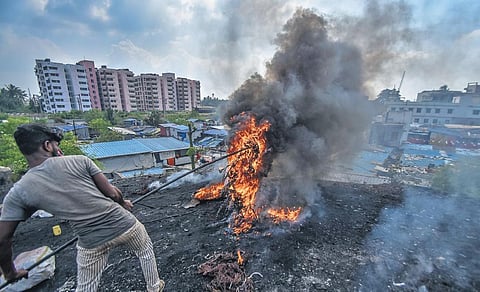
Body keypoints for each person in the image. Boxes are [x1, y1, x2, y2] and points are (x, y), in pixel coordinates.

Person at [0, 124, 164, 292]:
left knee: (86, 287)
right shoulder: (80, 160)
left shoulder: (19, 191)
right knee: (145, 251)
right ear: (47, 145)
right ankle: (154, 287)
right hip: (125, 224)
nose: (59, 149)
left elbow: (3, 239)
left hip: (91, 242)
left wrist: (10, 273)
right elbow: (113, 193)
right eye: (57, 145)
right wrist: (122, 203)